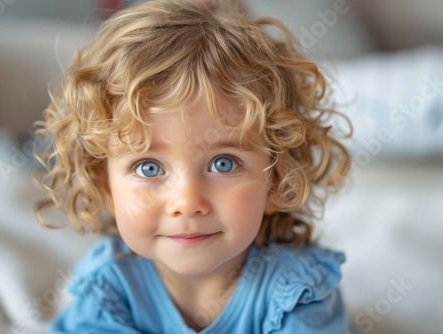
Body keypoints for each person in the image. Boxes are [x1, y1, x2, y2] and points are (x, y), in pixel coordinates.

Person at [34, 0, 353, 332]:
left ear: (277, 180)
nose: (187, 202)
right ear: (106, 188)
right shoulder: (109, 290)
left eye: (223, 163)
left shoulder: (296, 292)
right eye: (149, 168)